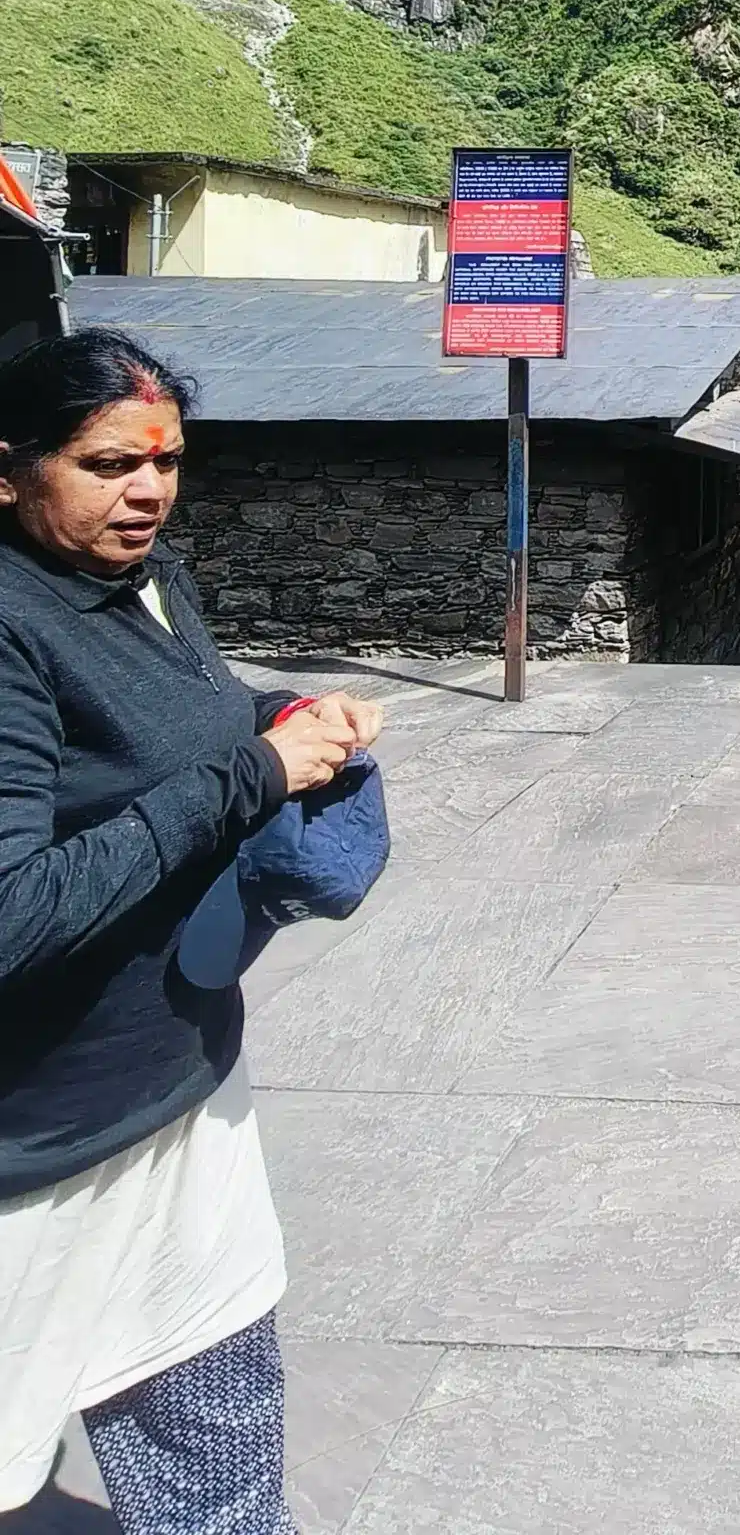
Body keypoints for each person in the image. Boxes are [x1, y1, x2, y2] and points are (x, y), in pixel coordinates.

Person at [0, 329, 385, 1527]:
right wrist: (251, 775)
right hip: (37, 1152)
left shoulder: (155, 579)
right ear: (8, 470)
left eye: (166, 458)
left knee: (217, 1447)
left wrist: (275, 715)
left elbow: (186, 722)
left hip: (179, 1092)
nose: (151, 488)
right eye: (110, 462)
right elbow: (12, 913)